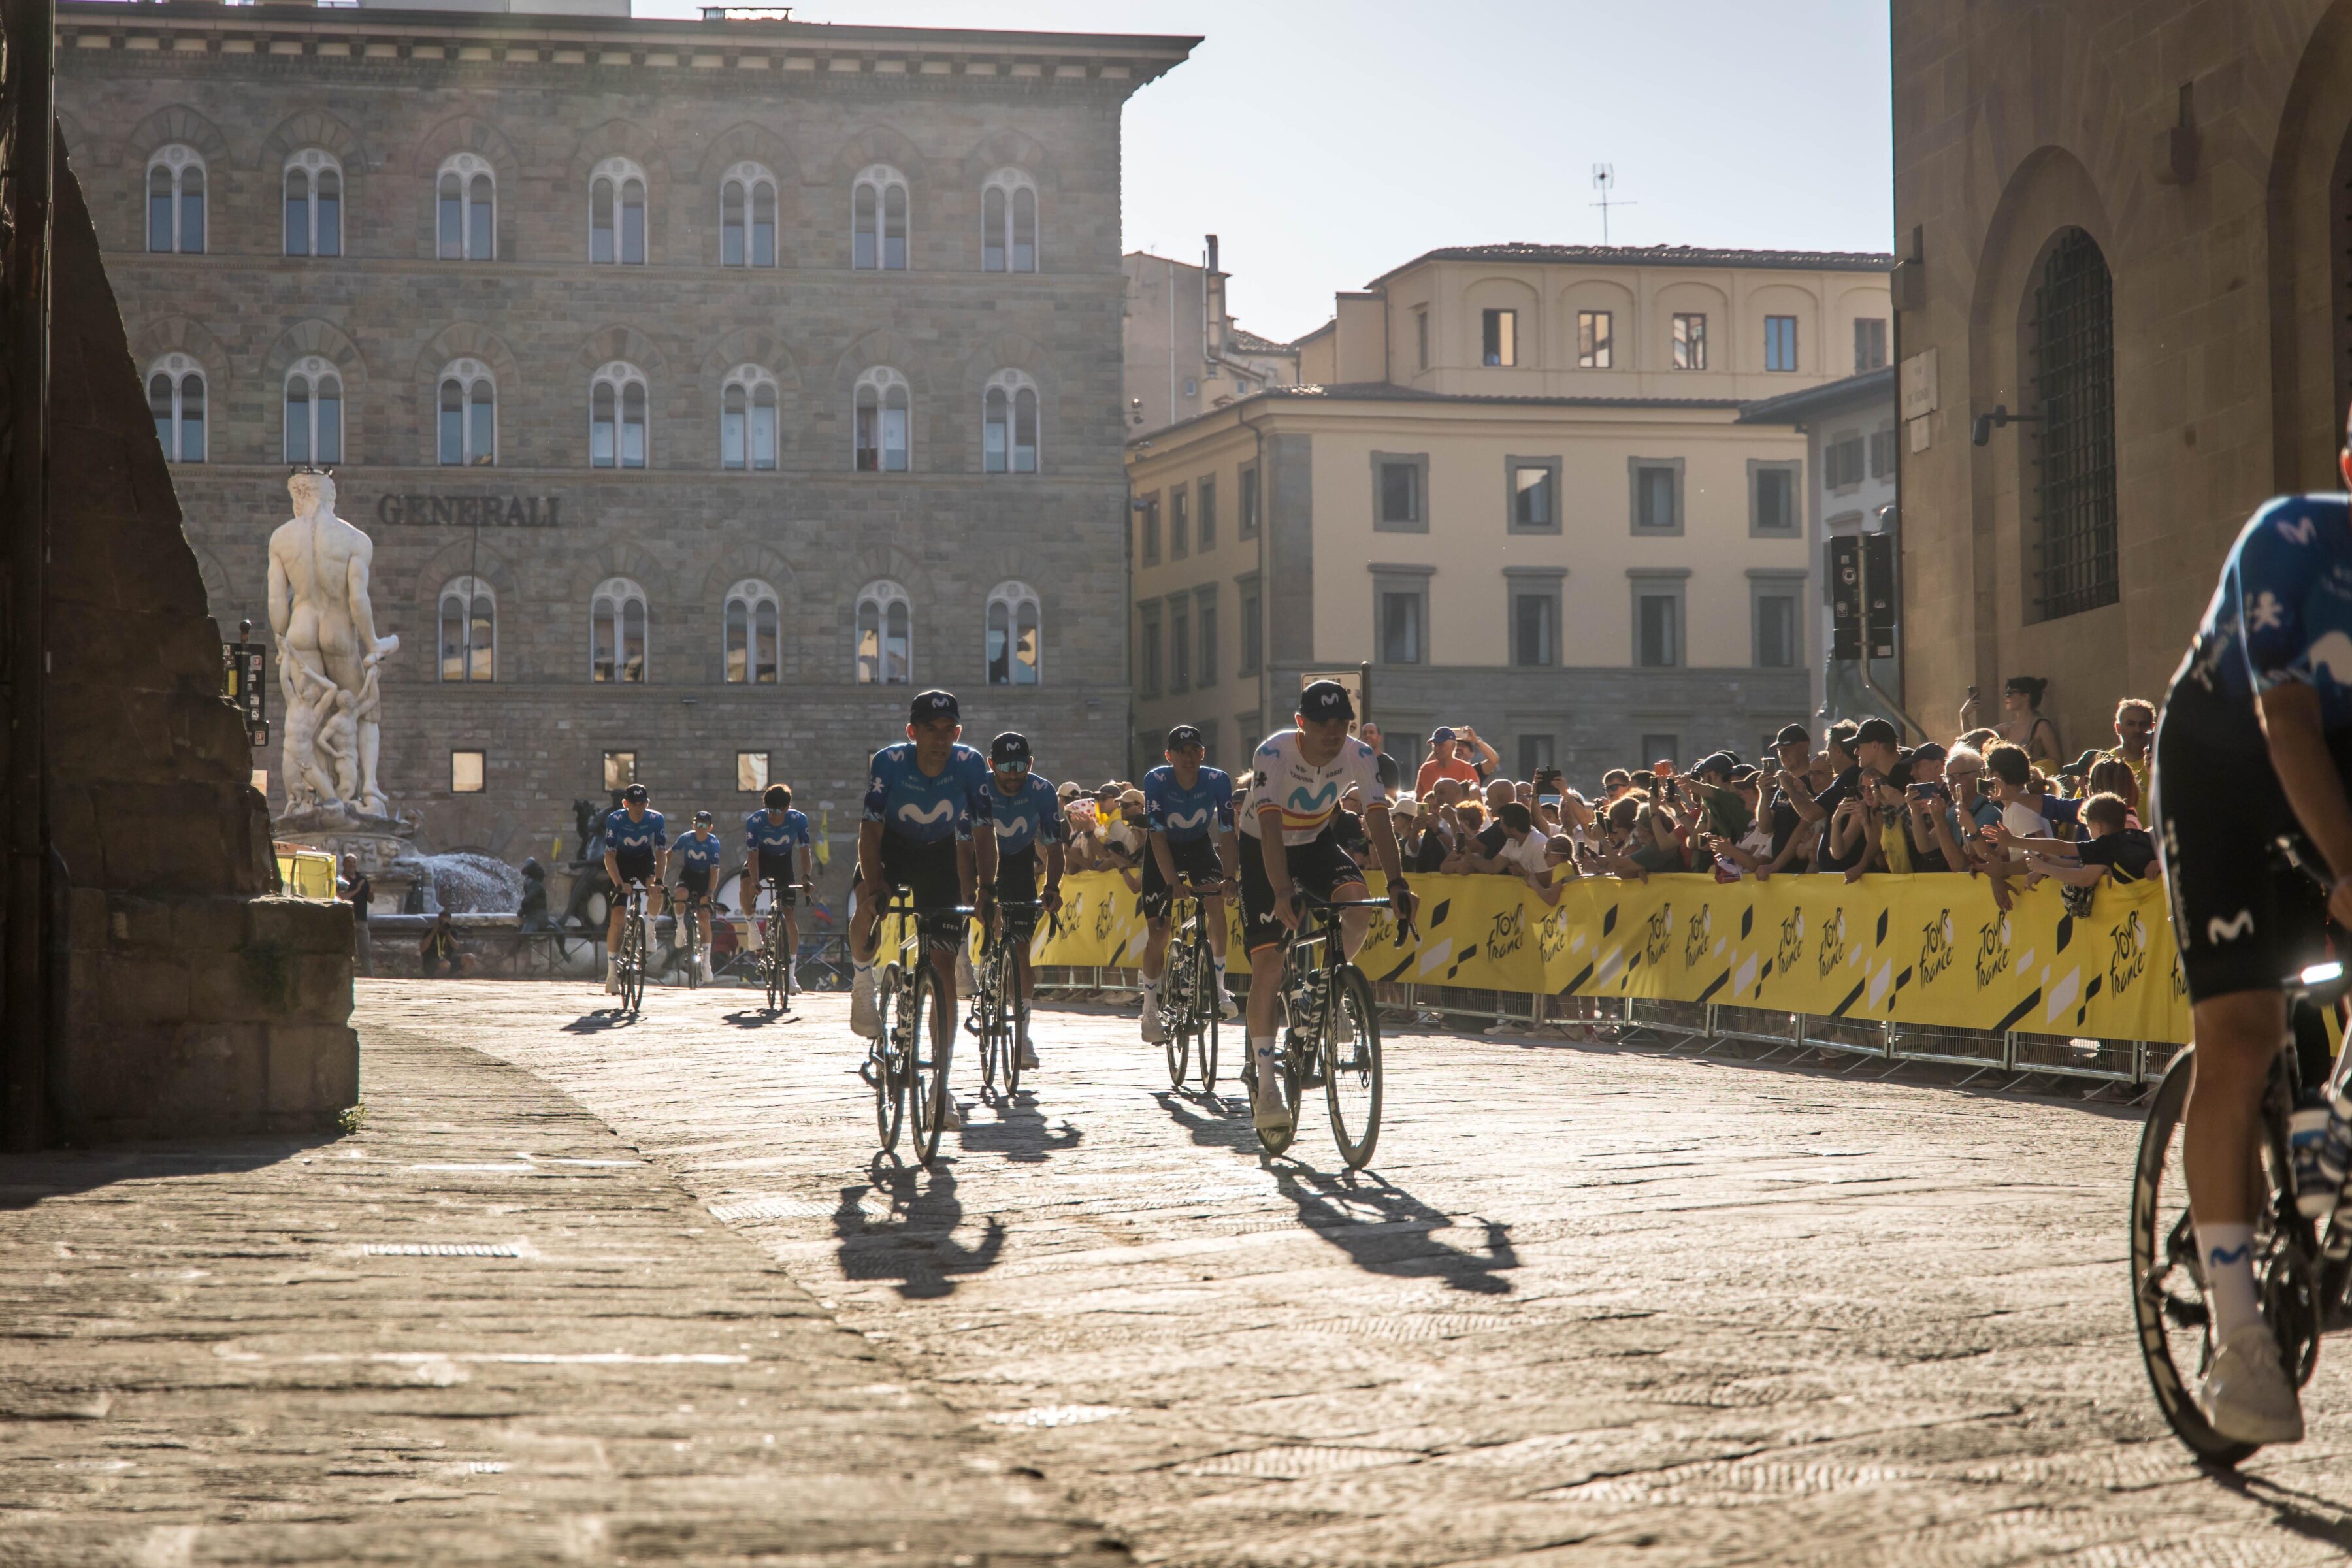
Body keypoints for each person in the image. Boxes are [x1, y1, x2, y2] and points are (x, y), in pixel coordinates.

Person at [2149, 425, 2352, 1445]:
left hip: (2334, 757)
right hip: (2225, 760)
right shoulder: (2295, 537)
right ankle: (2239, 1340)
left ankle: (2330, 1136)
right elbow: (2287, 726)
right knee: (2243, 1035)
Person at [1237, 681, 1416, 1137]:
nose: (1333, 732)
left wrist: (1396, 882)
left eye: (1342, 723)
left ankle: (1330, 982)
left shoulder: (1360, 755)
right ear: (1302, 723)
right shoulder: (1273, 754)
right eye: (1322, 723)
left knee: (1358, 907)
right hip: (1264, 847)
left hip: (1316, 842)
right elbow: (1272, 828)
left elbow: (1377, 817)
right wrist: (1280, 890)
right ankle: (1266, 1084)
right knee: (1269, 966)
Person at [852, 691, 994, 1132]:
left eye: (948, 730)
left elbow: (985, 834)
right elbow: (870, 832)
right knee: (866, 906)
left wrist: (987, 888)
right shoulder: (890, 763)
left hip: (938, 855)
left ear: (959, 732)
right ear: (912, 733)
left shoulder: (970, 765)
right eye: (929, 730)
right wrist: (875, 887)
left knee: (944, 968)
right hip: (892, 848)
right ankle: (861, 982)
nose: (939, 739)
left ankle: (942, 1085)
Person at [1135, 724, 1240, 1043]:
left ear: (1203, 753)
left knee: (1216, 905)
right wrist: (1171, 882)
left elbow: (1226, 831)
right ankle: (1150, 1008)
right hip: (1163, 851)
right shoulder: (1156, 780)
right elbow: (1156, 834)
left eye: (1195, 750)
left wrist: (1231, 877)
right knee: (1160, 932)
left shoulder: (1217, 780)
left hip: (1198, 848)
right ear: (1169, 756)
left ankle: (1219, 988)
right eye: (1181, 752)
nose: (1189, 757)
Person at [981, 731, 1066, 1072]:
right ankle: (970, 963)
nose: (1013, 774)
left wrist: (1053, 887)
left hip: (1017, 860)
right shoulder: (980, 786)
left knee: (1021, 951)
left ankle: (1024, 1035)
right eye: (1005, 767)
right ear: (992, 765)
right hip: (978, 855)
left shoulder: (1042, 791)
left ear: (1030, 764)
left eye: (1020, 766)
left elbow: (1054, 846)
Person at [741, 783, 815, 994]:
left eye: (777, 811)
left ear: (786, 808)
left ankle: (791, 974)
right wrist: (756, 882)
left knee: (790, 916)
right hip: (761, 860)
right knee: (745, 883)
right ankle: (753, 929)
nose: (772, 816)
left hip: (783, 863)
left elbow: (804, 852)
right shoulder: (755, 821)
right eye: (769, 811)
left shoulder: (798, 820)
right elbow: (752, 856)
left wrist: (807, 877)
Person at [602, 784, 667, 994]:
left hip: (643, 861)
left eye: (642, 804)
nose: (638, 808)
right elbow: (609, 856)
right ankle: (612, 974)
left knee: (657, 890)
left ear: (647, 803)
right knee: (618, 917)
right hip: (620, 863)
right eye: (634, 804)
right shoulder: (616, 820)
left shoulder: (656, 819)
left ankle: (650, 928)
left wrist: (659, 880)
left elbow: (660, 852)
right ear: (625, 804)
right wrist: (620, 883)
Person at [1999, 674, 2065, 766]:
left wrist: (2031, 758)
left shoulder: (2041, 726)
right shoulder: (2006, 728)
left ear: (2025, 697)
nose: (2006, 697)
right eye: (2006, 693)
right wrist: (1970, 714)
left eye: (2010, 693)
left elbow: (2057, 761)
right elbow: (1977, 739)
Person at [2105, 698, 2157, 809]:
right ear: (2118, 728)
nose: (2137, 730)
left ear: (2152, 728)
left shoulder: (2162, 762)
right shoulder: (2106, 763)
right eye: (2131, 724)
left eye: (2143, 724)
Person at [1413, 726, 1494, 796]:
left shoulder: (1467, 769)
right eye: (1435, 745)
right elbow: (1418, 799)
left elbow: (1475, 802)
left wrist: (1476, 741)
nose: (1437, 749)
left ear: (1453, 747)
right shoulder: (1426, 769)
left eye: (1441, 745)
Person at [338, 853, 373, 978]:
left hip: (362, 918)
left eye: (354, 862)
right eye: (349, 862)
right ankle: (345, 976)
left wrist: (370, 891)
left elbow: (371, 899)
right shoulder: (340, 880)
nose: (351, 865)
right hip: (346, 920)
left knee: (366, 949)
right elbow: (343, 897)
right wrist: (358, 889)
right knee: (347, 950)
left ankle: (369, 976)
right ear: (344, 864)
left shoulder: (362, 879)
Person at [1358, 721, 1402, 800]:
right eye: (1364, 733)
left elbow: (1391, 793)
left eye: (1371, 733)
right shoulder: (1358, 763)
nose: (1367, 735)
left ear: (1379, 738)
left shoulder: (1388, 763)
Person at [420, 908, 460, 978]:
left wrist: (448, 934)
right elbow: (422, 949)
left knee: (469, 958)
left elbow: (456, 947)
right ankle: (437, 979)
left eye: (446, 923)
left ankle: (460, 978)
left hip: (448, 959)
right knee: (446, 964)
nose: (443, 925)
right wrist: (433, 934)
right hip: (432, 961)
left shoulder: (453, 932)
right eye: (442, 922)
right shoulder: (430, 931)